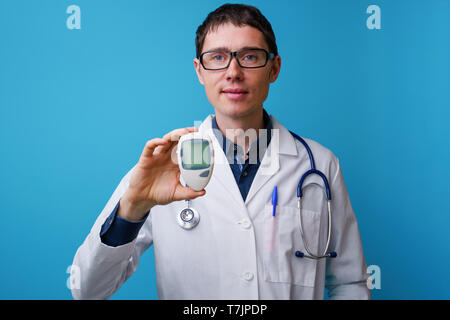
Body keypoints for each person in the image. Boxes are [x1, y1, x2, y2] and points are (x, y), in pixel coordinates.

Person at [71, 3, 370, 300]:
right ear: (199, 71)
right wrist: (132, 208)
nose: (233, 72)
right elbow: (86, 290)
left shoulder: (319, 164)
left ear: (274, 68)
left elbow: (350, 284)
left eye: (250, 56)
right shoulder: (163, 164)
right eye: (218, 58)